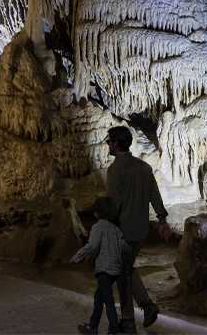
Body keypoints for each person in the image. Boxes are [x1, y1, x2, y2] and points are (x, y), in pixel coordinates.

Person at [105, 126, 172, 331]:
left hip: (122, 230)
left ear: (116, 144)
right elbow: (155, 196)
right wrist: (161, 220)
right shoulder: (144, 167)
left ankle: (141, 309)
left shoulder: (115, 170)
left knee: (122, 271)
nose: (108, 144)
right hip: (141, 231)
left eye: (109, 141)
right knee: (124, 271)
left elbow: (113, 204)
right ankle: (130, 318)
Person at [71, 196, 129, 335]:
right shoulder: (115, 229)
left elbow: (91, 246)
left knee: (108, 301)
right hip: (115, 270)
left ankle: (114, 330)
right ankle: (93, 326)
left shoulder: (97, 227)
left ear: (98, 213)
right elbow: (124, 247)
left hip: (104, 270)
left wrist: (76, 257)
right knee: (99, 297)